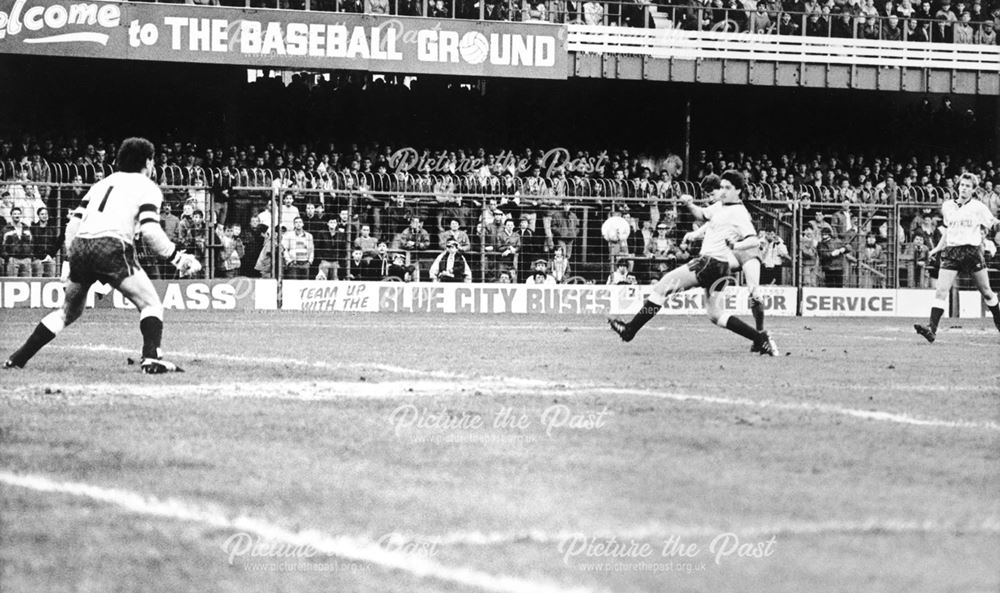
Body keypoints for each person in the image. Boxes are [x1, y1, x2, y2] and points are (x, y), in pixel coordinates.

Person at [5, 137, 200, 373]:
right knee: (150, 303)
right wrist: (178, 258)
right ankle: (151, 358)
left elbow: (72, 225)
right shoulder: (147, 187)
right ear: (148, 162)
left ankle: (17, 358)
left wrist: (70, 262)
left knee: (68, 312)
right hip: (111, 246)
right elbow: (150, 229)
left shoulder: (101, 184)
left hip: (81, 246)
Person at [608, 171, 778, 356]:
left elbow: (754, 240)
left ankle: (629, 330)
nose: (722, 191)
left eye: (727, 188)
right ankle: (760, 339)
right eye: (721, 187)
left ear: (738, 191)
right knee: (715, 314)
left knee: (663, 286)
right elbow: (702, 215)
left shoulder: (739, 213)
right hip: (720, 268)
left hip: (709, 263)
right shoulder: (721, 205)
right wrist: (689, 204)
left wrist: (736, 244)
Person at [681, 174, 771, 351]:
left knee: (754, 292)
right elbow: (712, 221)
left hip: (746, 249)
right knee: (713, 268)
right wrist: (696, 234)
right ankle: (715, 308)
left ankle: (760, 333)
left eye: (712, 193)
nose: (711, 198)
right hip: (729, 250)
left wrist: (696, 233)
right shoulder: (719, 204)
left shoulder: (733, 205)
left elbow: (749, 237)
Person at [915, 173, 1000, 342]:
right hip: (952, 252)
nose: (964, 188)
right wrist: (936, 250)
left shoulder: (978, 207)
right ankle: (931, 330)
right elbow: (948, 231)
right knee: (941, 290)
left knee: (987, 292)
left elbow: (994, 223)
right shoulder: (947, 206)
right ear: (958, 186)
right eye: (962, 185)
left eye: (968, 186)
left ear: (973, 190)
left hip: (972, 252)